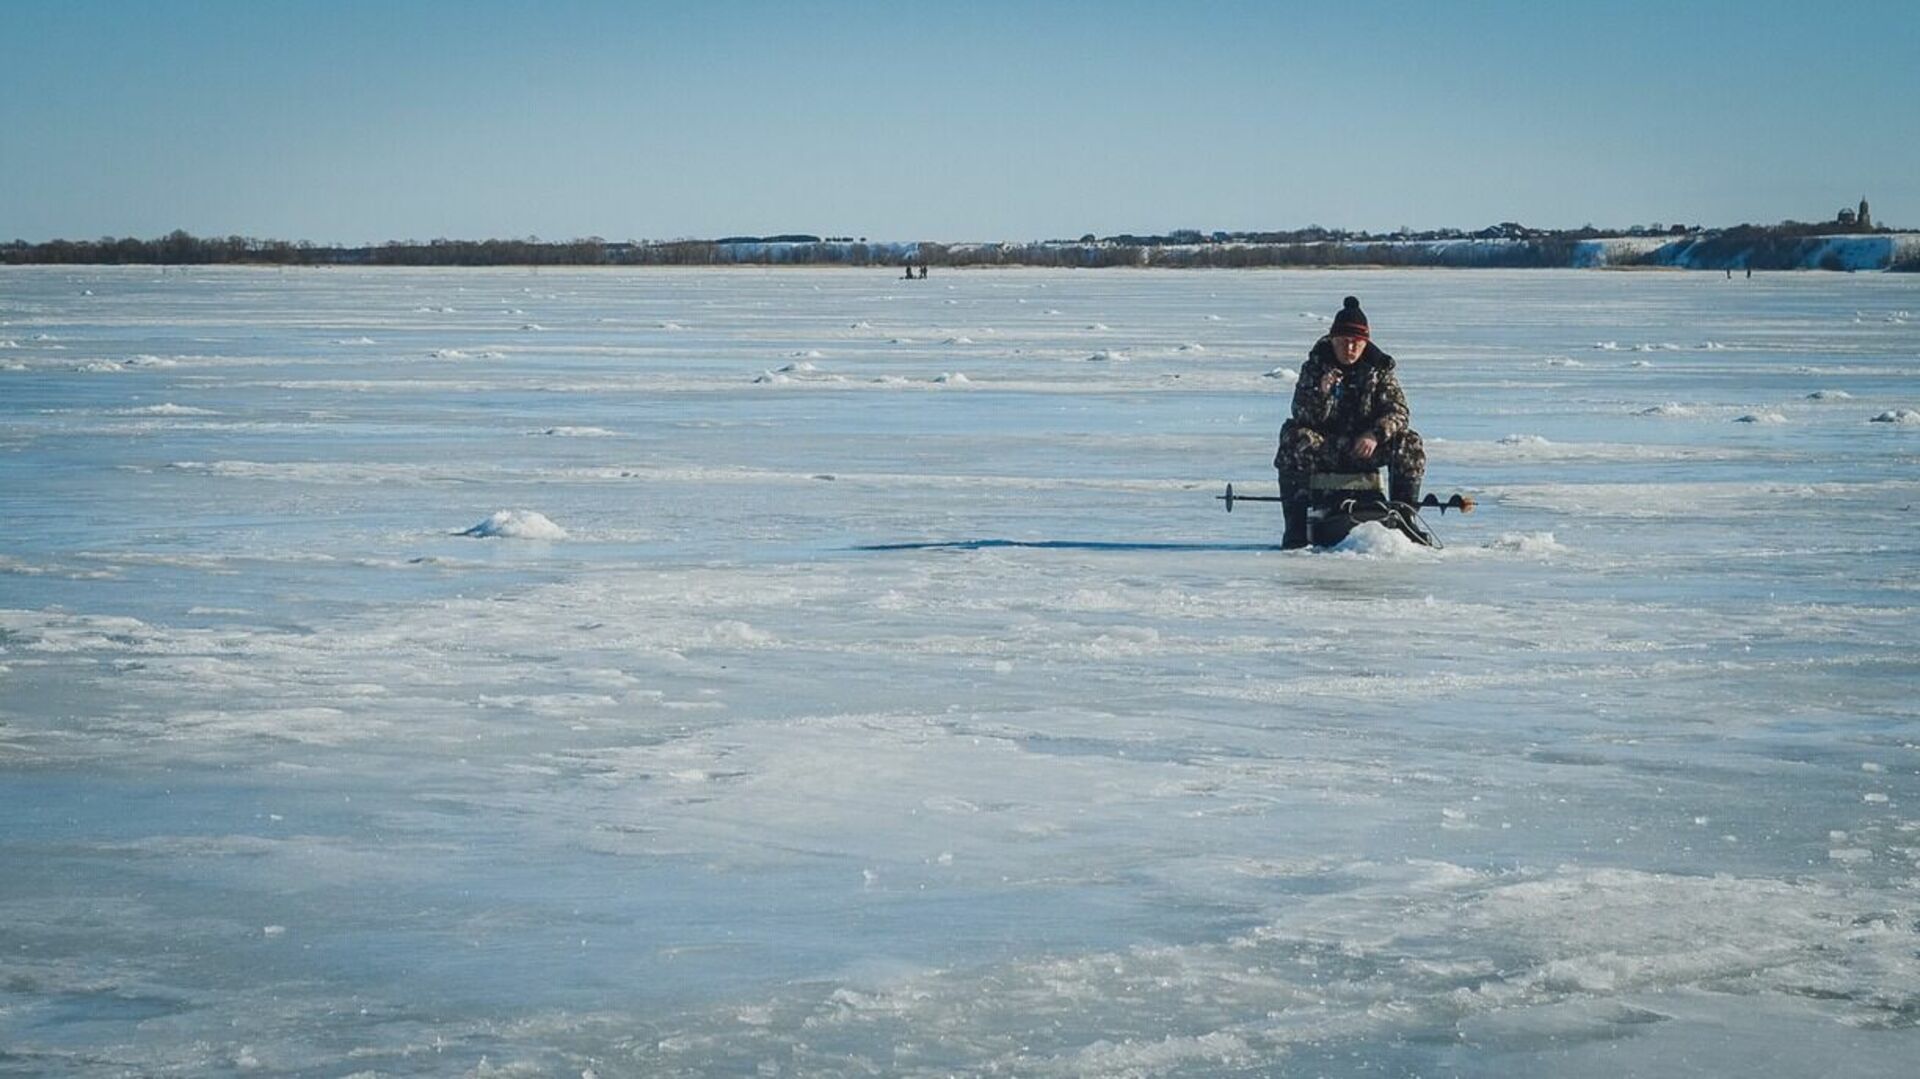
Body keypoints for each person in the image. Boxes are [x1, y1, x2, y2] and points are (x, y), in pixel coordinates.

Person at [1273, 296, 1425, 548]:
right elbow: (1302, 414)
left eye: (1356, 343)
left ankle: (1405, 520)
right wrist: (1320, 393)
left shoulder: (1379, 371)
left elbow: (1398, 411)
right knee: (1293, 437)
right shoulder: (1315, 367)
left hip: (1366, 447)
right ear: (1332, 340)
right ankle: (1295, 530)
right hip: (1326, 447)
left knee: (1409, 442)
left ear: (1365, 343)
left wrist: (1375, 434)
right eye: (1344, 342)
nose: (1350, 348)